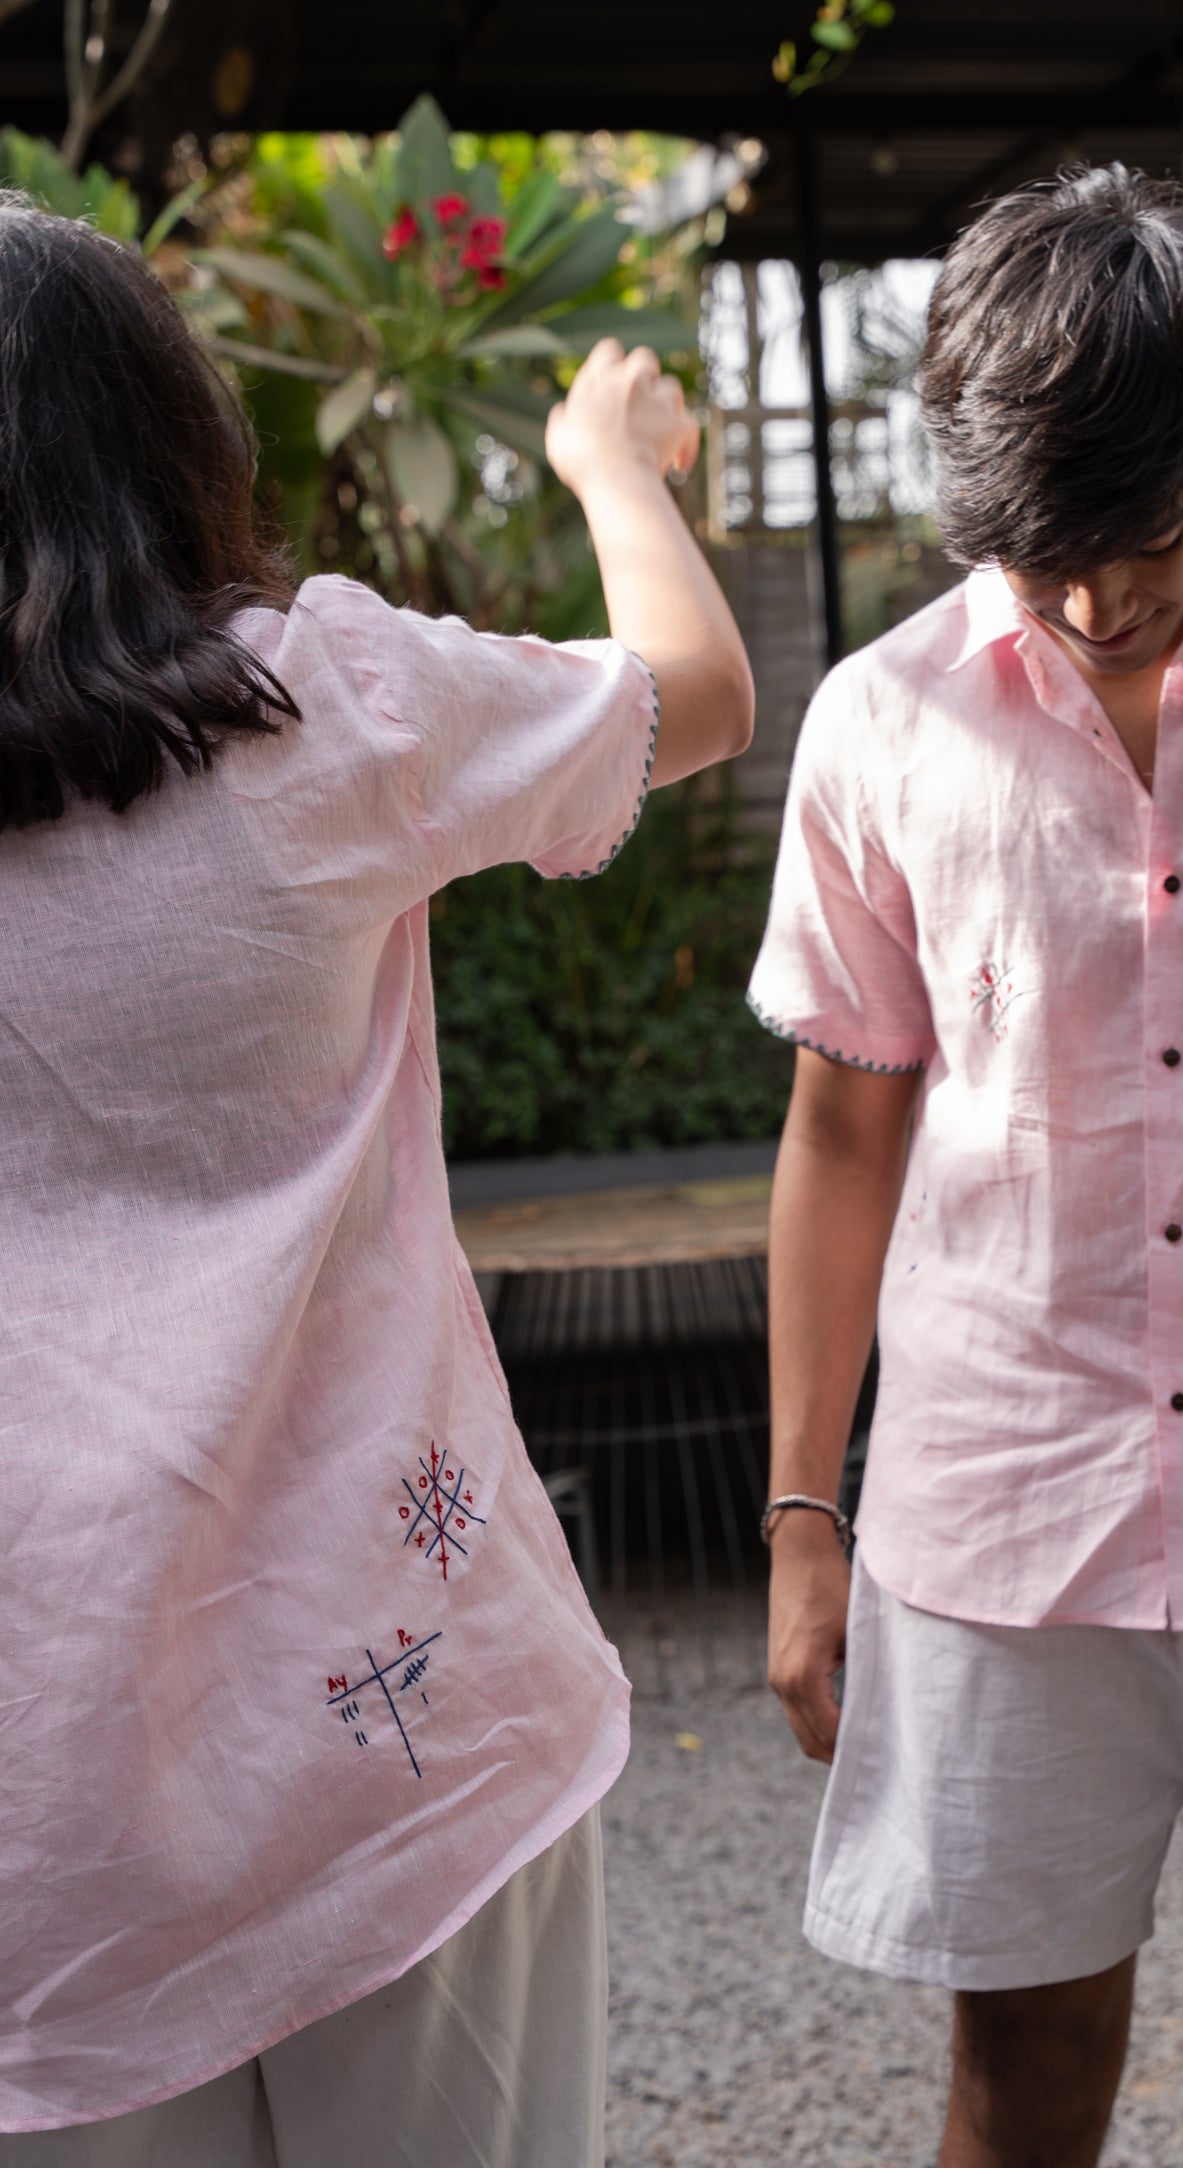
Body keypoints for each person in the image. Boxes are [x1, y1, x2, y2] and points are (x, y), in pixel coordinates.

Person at [0, 200, 751, 2165]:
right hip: (400, 1729)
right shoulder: (318, 705)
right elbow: (697, 685)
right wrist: (605, 465)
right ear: (172, 439)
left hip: (38, 1818)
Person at [752, 163, 1183, 2168]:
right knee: (1022, 2084)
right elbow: (845, 1120)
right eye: (1034, 557)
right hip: (1003, 1514)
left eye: (1127, 545)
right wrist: (807, 1515)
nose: (1085, 605)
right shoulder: (884, 722)